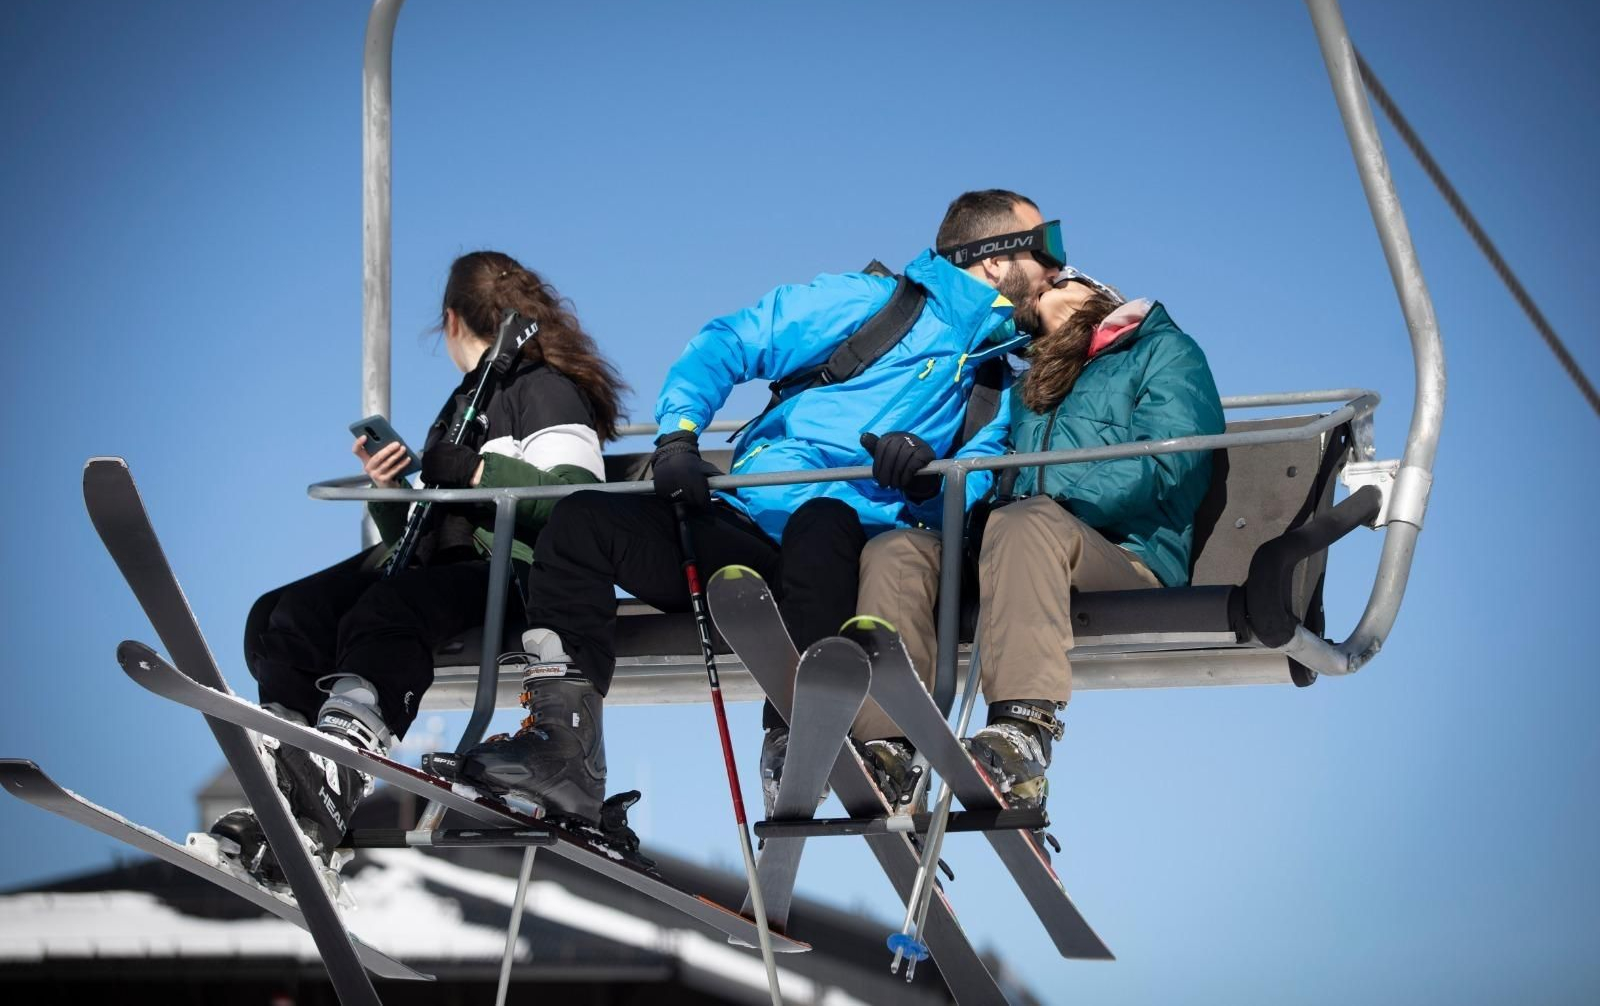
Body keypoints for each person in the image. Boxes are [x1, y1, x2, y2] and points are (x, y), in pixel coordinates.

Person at [457, 190, 1065, 819]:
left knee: (823, 520)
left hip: (849, 560)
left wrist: (923, 480)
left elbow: (975, 493)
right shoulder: (874, 306)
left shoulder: (998, 387)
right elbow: (732, 341)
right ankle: (564, 747)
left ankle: (791, 731)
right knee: (583, 522)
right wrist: (679, 435)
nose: (1056, 268)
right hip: (744, 534)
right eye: (1047, 246)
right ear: (991, 258)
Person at [211, 250, 626, 880]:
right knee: (284, 614)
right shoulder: (467, 400)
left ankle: (340, 765)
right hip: (447, 568)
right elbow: (426, 535)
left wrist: (479, 472)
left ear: (453, 320)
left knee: (389, 609)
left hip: (510, 574)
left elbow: (576, 504)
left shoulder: (543, 392)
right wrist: (395, 491)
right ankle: (290, 782)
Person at [850, 265, 1224, 815]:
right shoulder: (1030, 385)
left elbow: (1173, 459)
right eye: (1036, 292)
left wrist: (1047, 501)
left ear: (1100, 294)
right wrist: (930, 481)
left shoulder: (1162, 350)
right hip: (1022, 544)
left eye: (1059, 281)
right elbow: (988, 473)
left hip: (1125, 555)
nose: (1042, 290)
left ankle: (1022, 736)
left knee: (1027, 522)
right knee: (896, 552)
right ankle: (889, 746)